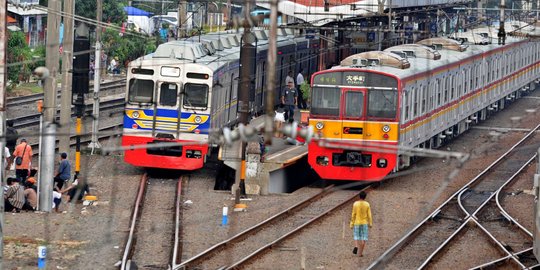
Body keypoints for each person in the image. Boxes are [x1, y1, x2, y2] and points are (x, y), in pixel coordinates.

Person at [350, 191, 373, 257]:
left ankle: (356, 246)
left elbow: (353, 214)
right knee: (364, 238)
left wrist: (351, 223)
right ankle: (360, 253)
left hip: (357, 223)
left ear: (359, 196)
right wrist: (370, 223)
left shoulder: (355, 204)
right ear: (365, 197)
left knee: (356, 236)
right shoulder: (367, 204)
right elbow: (369, 215)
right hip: (364, 223)